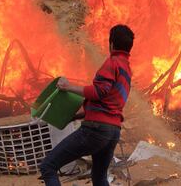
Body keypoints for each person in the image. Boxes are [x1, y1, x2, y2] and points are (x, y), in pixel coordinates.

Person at [40, 24, 134, 186]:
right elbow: (109, 103)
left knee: (48, 166)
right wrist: (76, 116)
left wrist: (68, 87)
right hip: (112, 132)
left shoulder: (112, 63)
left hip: (95, 131)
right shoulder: (127, 69)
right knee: (99, 178)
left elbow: (99, 92)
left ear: (111, 44)